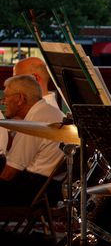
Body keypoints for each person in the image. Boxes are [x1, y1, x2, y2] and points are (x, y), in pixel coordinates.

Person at [0, 75, 65, 206]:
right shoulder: (47, 111)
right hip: (48, 186)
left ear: (20, 99)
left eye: (6, 97)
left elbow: (9, 173)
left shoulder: (36, 120)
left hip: (36, 190)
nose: (3, 101)